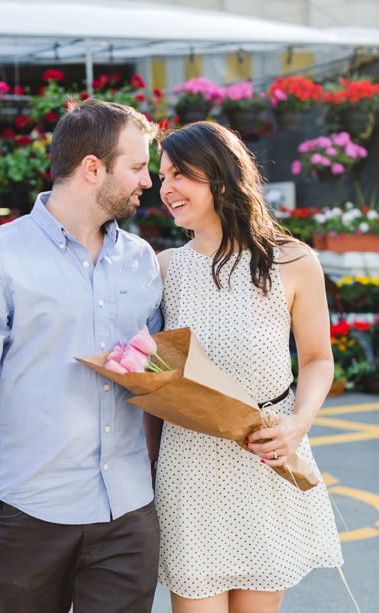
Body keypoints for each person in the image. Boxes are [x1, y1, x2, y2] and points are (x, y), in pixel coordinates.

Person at [0, 99, 163, 613]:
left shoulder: (142, 260)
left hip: (128, 512)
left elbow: (162, 379)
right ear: (92, 169)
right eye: (139, 167)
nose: (148, 182)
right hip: (31, 512)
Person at [149, 121, 343, 613]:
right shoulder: (166, 267)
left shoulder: (293, 261)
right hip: (188, 467)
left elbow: (319, 359)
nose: (165, 188)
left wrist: (299, 424)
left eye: (179, 175)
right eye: (161, 175)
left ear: (220, 175)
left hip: (265, 460)